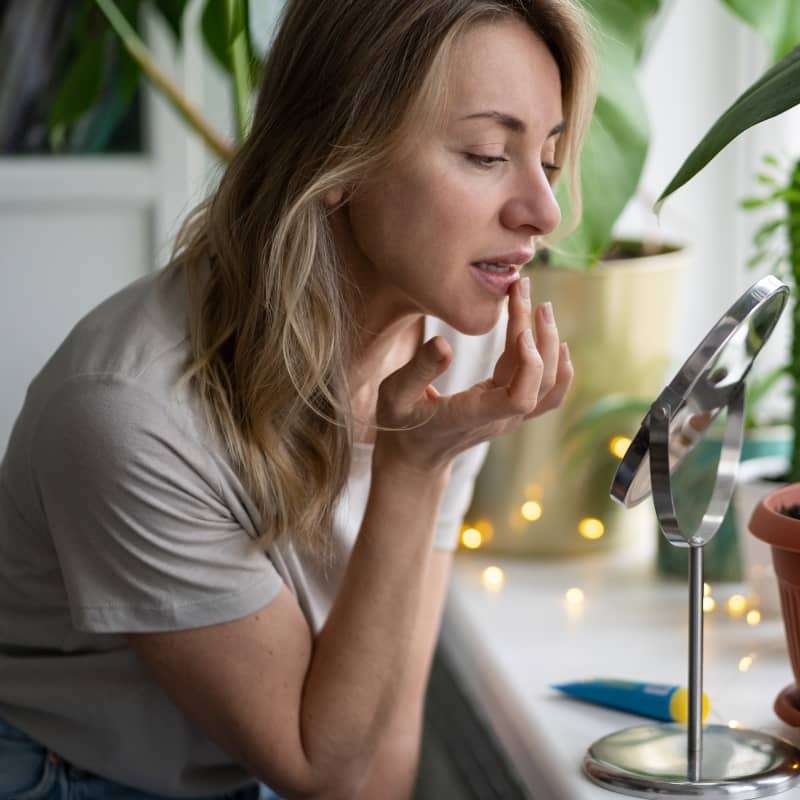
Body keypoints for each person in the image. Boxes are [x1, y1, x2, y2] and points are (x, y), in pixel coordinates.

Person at [0, 0, 595, 797]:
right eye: (488, 154)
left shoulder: (459, 335)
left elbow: (379, 769)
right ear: (339, 160)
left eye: (548, 158)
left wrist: (424, 463)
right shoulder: (128, 413)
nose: (544, 212)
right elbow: (331, 775)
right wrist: (412, 473)